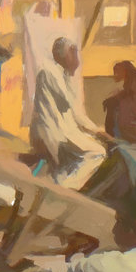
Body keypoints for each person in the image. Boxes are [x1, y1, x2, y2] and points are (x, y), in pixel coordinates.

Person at [30, 36, 105, 190]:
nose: (77, 58)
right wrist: (97, 131)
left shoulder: (62, 75)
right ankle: (65, 187)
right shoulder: (49, 72)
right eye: (74, 52)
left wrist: (97, 131)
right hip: (54, 133)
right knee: (98, 152)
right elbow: (72, 106)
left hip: (64, 131)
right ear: (66, 54)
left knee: (93, 144)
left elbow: (78, 115)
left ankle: (57, 181)